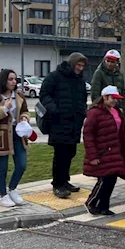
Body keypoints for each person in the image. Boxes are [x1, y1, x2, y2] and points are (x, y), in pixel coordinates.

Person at [40, 52, 88, 198]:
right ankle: (57, 184)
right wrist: (54, 109)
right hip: (58, 122)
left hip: (74, 122)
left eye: (82, 66)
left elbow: (82, 98)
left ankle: (65, 180)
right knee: (60, 153)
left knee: (70, 152)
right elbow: (44, 95)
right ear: (72, 63)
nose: (80, 68)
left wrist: (82, 113)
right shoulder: (54, 77)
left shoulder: (79, 80)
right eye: (78, 65)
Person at [0, 69, 31, 208]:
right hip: (0, 137)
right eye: (10, 79)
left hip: (18, 134)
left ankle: (13, 188)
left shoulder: (19, 96)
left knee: (21, 165)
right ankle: (2, 195)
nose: (13, 82)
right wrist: (4, 109)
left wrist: (24, 117)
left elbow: (25, 111)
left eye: (15, 79)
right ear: (3, 80)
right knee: (2, 167)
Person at [82, 85, 125, 216]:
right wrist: (92, 156)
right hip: (102, 152)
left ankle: (104, 206)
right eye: (112, 98)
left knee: (111, 180)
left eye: (116, 98)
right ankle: (91, 202)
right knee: (104, 180)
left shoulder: (116, 111)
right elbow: (88, 135)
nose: (115, 100)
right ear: (104, 97)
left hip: (115, 151)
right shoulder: (94, 113)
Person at [91, 49, 125, 114]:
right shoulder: (99, 73)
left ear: (117, 62)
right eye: (108, 61)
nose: (109, 64)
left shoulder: (119, 75)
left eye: (112, 62)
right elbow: (95, 93)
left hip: (117, 110)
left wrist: (124, 114)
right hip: (104, 110)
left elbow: (123, 95)